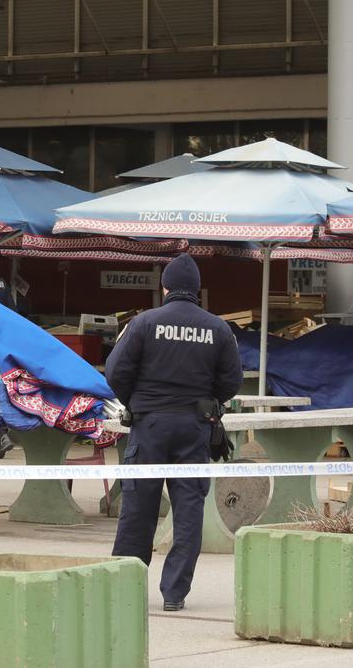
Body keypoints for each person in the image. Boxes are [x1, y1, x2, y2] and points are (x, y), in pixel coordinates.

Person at [105, 253, 242, 612]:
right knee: (188, 510)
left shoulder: (144, 323)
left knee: (138, 507)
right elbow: (231, 382)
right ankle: (174, 593)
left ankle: (125, 586)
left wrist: (136, 400)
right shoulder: (218, 328)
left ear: (164, 287)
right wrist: (206, 402)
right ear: (198, 291)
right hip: (195, 428)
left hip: (149, 425)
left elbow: (115, 371)